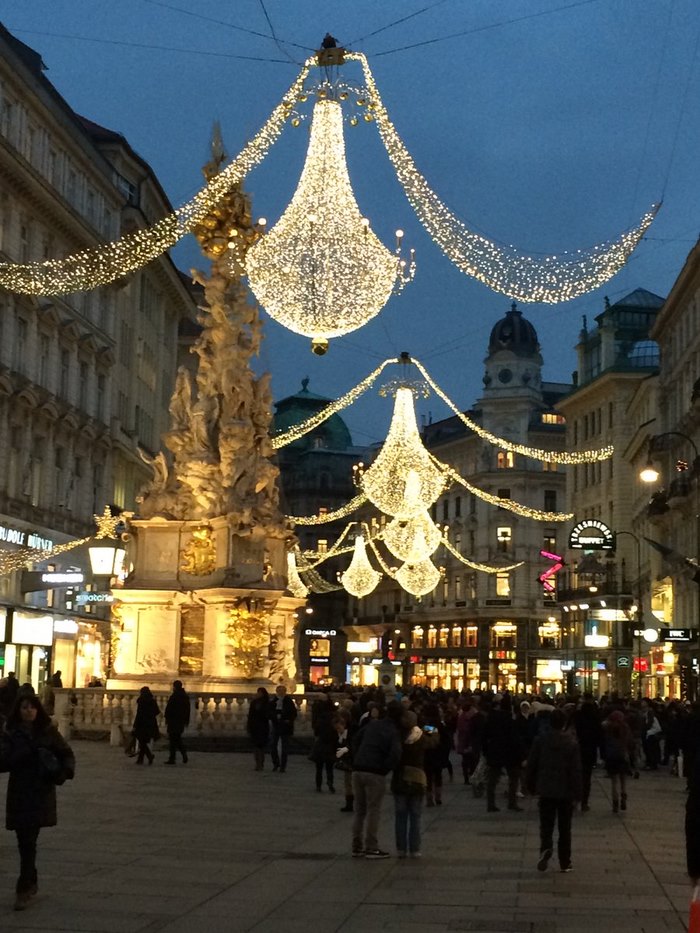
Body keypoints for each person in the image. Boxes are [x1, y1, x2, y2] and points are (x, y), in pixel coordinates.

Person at [0, 693, 75, 910]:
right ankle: (30, 878)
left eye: (32, 708)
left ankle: (23, 888)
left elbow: (66, 753)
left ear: (38, 710)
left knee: (28, 840)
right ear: (19, 710)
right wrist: (22, 753)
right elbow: (2, 761)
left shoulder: (48, 731)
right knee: (24, 840)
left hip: (41, 792)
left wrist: (65, 771)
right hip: (20, 792)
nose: (29, 711)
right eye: (24, 708)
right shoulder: (11, 733)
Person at [526, 708, 582, 874]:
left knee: (546, 825)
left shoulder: (540, 740)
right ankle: (565, 861)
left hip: (546, 788)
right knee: (565, 828)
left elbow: (532, 764)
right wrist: (578, 794)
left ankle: (546, 848)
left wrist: (530, 785)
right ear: (564, 724)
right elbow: (576, 770)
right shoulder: (571, 743)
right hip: (565, 791)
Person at [351, 701, 402, 859]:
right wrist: (385, 768)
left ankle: (356, 846)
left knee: (359, 810)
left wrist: (357, 757)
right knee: (374, 809)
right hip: (375, 771)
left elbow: (355, 740)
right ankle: (371, 847)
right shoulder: (393, 730)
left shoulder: (372, 725)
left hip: (358, 768)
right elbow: (395, 754)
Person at [392, 709, 438, 858]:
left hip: (399, 778)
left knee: (400, 816)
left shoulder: (397, 736)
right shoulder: (421, 737)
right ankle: (415, 849)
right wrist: (433, 728)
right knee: (415, 816)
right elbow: (434, 741)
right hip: (417, 778)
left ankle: (401, 849)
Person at [483, 695, 524, 812]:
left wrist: (486, 751)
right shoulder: (510, 720)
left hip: (495, 751)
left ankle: (490, 804)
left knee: (493, 779)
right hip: (509, 752)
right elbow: (515, 738)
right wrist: (521, 753)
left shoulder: (491, 718)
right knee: (513, 778)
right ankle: (512, 802)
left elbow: (484, 735)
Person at [574, 694, 602, 811]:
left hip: (577, 749)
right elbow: (599, 735)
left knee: (575, 776)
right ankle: (584, 802)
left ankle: (575, 800)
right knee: (587, 778)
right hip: (590, 751)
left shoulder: (578, 716)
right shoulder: (595, 718)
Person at [602, 710, 634, 813]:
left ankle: (615, 804)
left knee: (614, 782)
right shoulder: (625, 728)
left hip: (611, 756)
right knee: (623, 781)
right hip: (623, 755)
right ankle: (624, 796)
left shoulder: (608, 728)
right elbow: (630, 742)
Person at [310, 692, 337, 793]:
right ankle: (330, 783)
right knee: (330, 767)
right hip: (330, 744)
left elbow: (317, 731)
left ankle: (318, 785)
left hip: (321, 744)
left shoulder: (321, 719)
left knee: (319, 767)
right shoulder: (334, 718)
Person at [268, 684, 297, 773]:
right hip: (276, 725)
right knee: (273, 746)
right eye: (279, 691)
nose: (281, 692)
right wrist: (274, 717)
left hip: (285, 726)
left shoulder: (289, 701)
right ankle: (276, 763)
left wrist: (287, 719)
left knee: (285, 748)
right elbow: (269, 712)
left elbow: (293, 713)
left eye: (282, 691)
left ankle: (283, 766)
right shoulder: (273, 701)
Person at [132, 686, 160, 765]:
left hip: (142, 724)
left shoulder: (141, 701)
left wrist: (135, 725)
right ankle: (143, 758)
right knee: (143, 742)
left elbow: (139, 714)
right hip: (150, 724)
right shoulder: (152, 701)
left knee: (142, 742)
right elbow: (157, 712)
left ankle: (146, 757)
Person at [163, 680, 190, 765]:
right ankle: (182, 754)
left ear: (175, 686)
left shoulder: (174, 696)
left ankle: (173, 758)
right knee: (177, 739)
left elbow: (169, 708)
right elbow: (187, 710)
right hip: (180, 721)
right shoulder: (184, 696)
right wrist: (186, 720)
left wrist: (167, 718)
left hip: (173, 721)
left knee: (173, 740)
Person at [247, 687, 270, 771]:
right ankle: (257, 763)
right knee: (256, 747)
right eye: (258, 692)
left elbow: (267, 715)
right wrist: (249, 726)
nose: (258, 694)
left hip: (262, 727)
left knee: (260, 747)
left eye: (260, 693)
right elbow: (250, 715)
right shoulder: (254, 703)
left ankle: (260, 764)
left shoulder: (266, 703)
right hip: (255, 727)